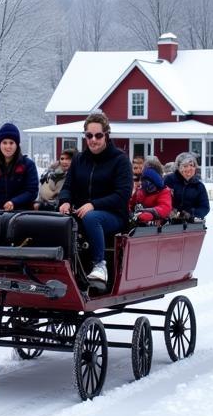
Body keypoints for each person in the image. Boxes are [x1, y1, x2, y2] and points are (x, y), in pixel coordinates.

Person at [58, 111, 132, 288]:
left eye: (98, 135)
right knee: (54, 218)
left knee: (92, 217)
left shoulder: (120, 160)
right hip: (82, 212)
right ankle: (60, 266)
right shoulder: (79, 160)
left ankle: (100, 265)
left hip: (113, 216)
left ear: (106, 135)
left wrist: (94, 205)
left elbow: (122, 195)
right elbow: (67, 187)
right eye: (89, 135)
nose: (93, 139)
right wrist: (65, 201)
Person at [165, 152, 210, 221]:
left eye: (192, 165)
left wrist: (190, 213)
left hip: (190, 224)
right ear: (178, 167)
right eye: (185, 166)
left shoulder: (199, 186)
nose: (189, 169)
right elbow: (161, 200)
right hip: (169, 223)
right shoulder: (169, 180)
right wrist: (170, 211)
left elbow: (205, 208)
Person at [129, 156, 173, 223]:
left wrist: (149, 213)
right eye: (144, 180)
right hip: (137, 221)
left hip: (155, 224)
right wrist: (128, 211)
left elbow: (165, 208)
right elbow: (131, 203)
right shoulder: (140, 190)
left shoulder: (164, 191)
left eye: (149, 181)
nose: (145, 183)